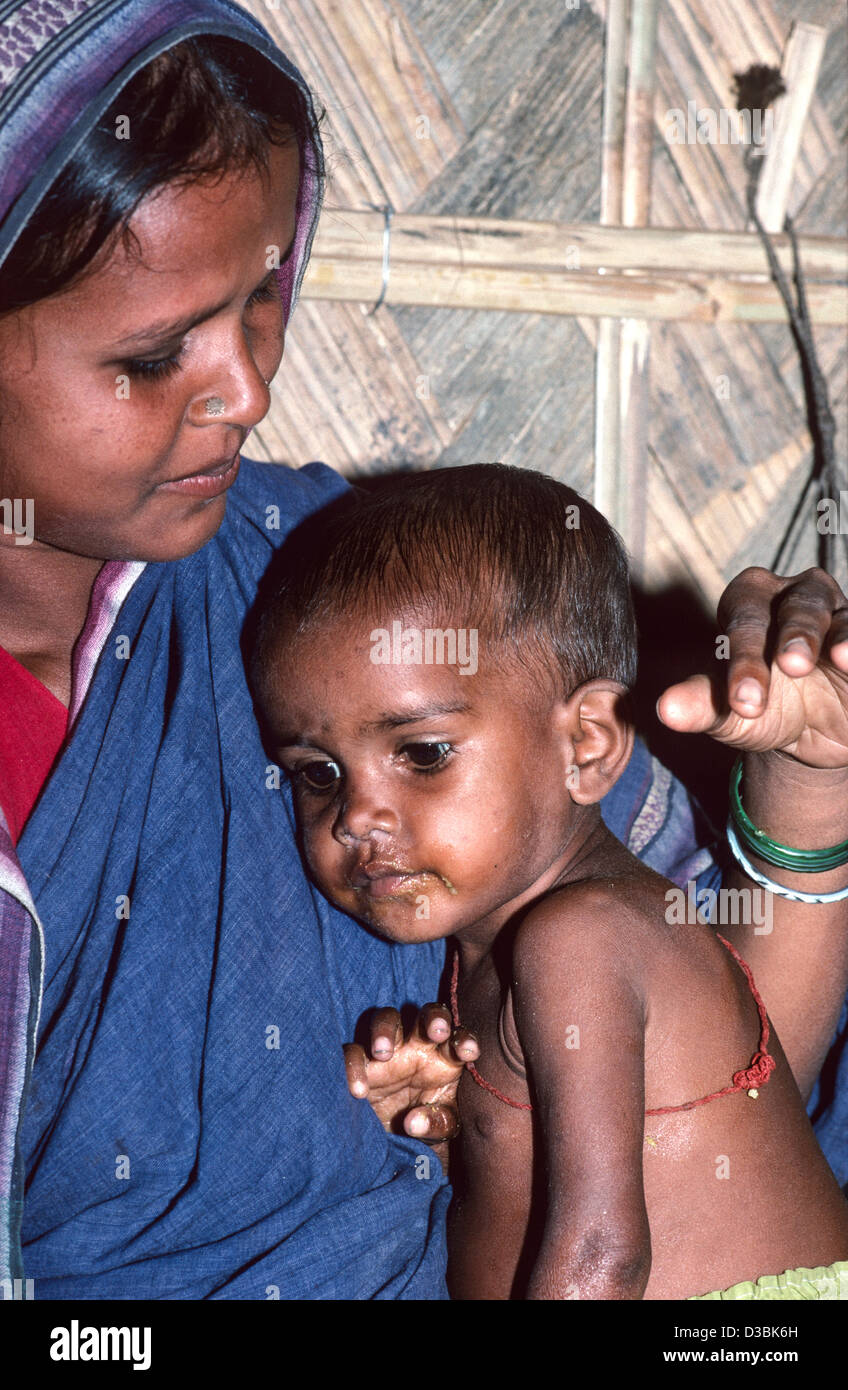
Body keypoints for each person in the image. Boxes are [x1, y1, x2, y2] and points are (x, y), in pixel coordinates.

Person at [0, 0, 846, 1300]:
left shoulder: (339, 588)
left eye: (263, 299)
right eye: (157, 352)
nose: (247, 388)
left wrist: (806, 790)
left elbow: (726, 1086)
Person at [250, 466, 848, 1300]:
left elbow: (603, 1257)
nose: (356, 817)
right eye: (317, 773)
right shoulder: (500, 951)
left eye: (423, 753)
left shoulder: (585, 937)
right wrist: (459, 1134)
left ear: (591, 746)